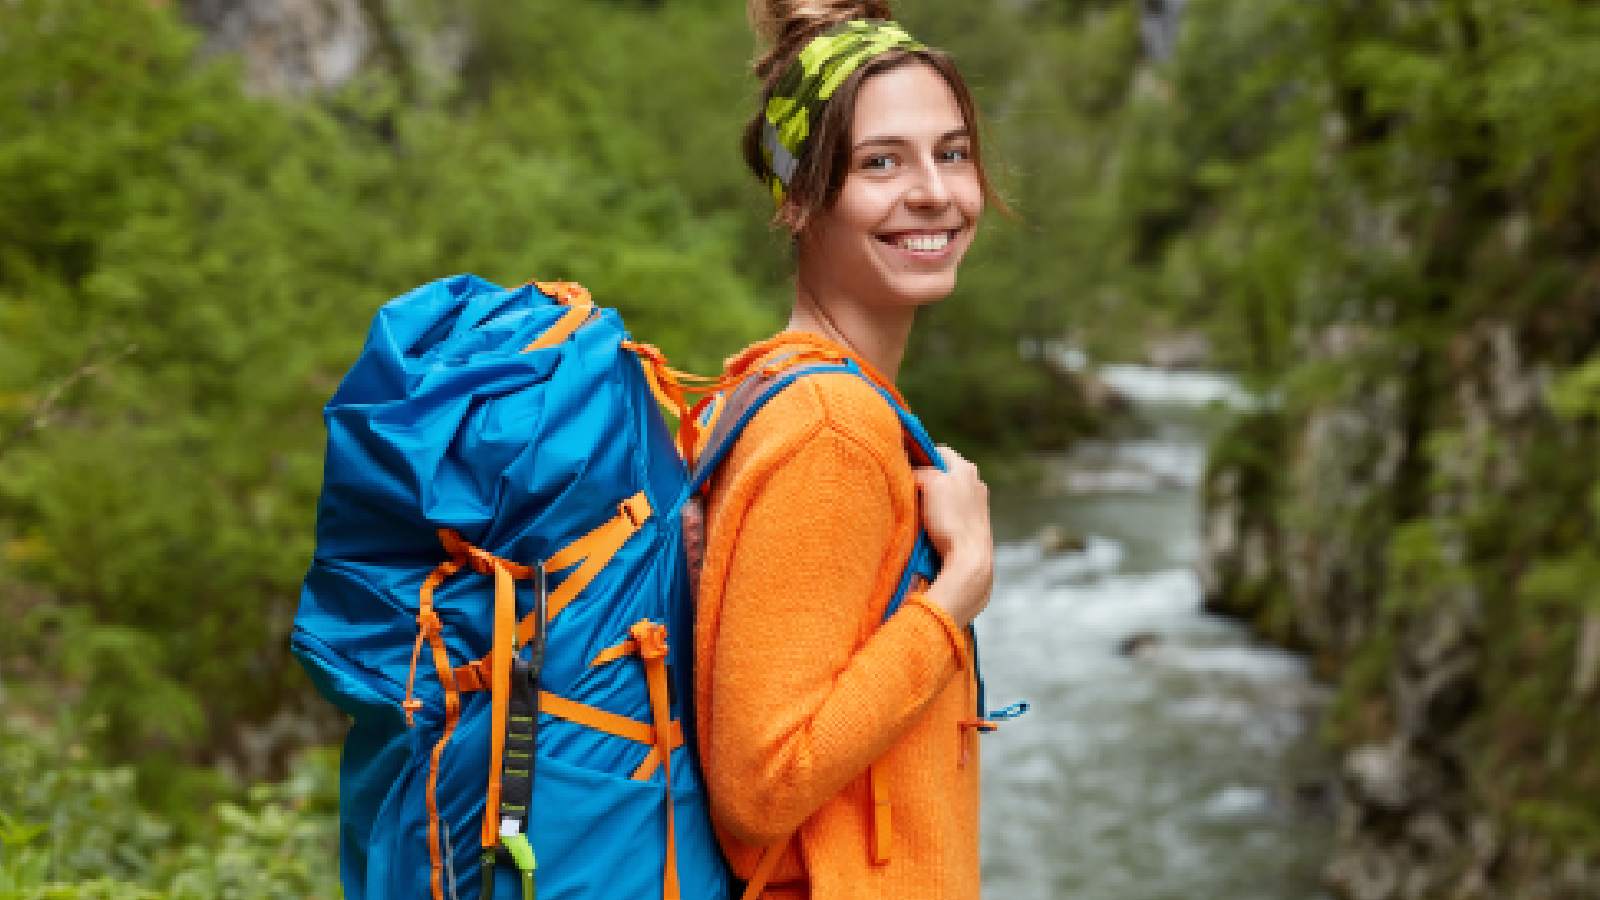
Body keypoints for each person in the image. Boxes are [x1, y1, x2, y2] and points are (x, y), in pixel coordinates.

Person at [691, 2, 1006, 897]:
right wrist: (957, 593)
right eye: (880, 163)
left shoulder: (769, 385)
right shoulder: (832, 431)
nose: (935, 192)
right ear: (799, 199)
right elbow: (760, 785)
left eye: (952, 153)